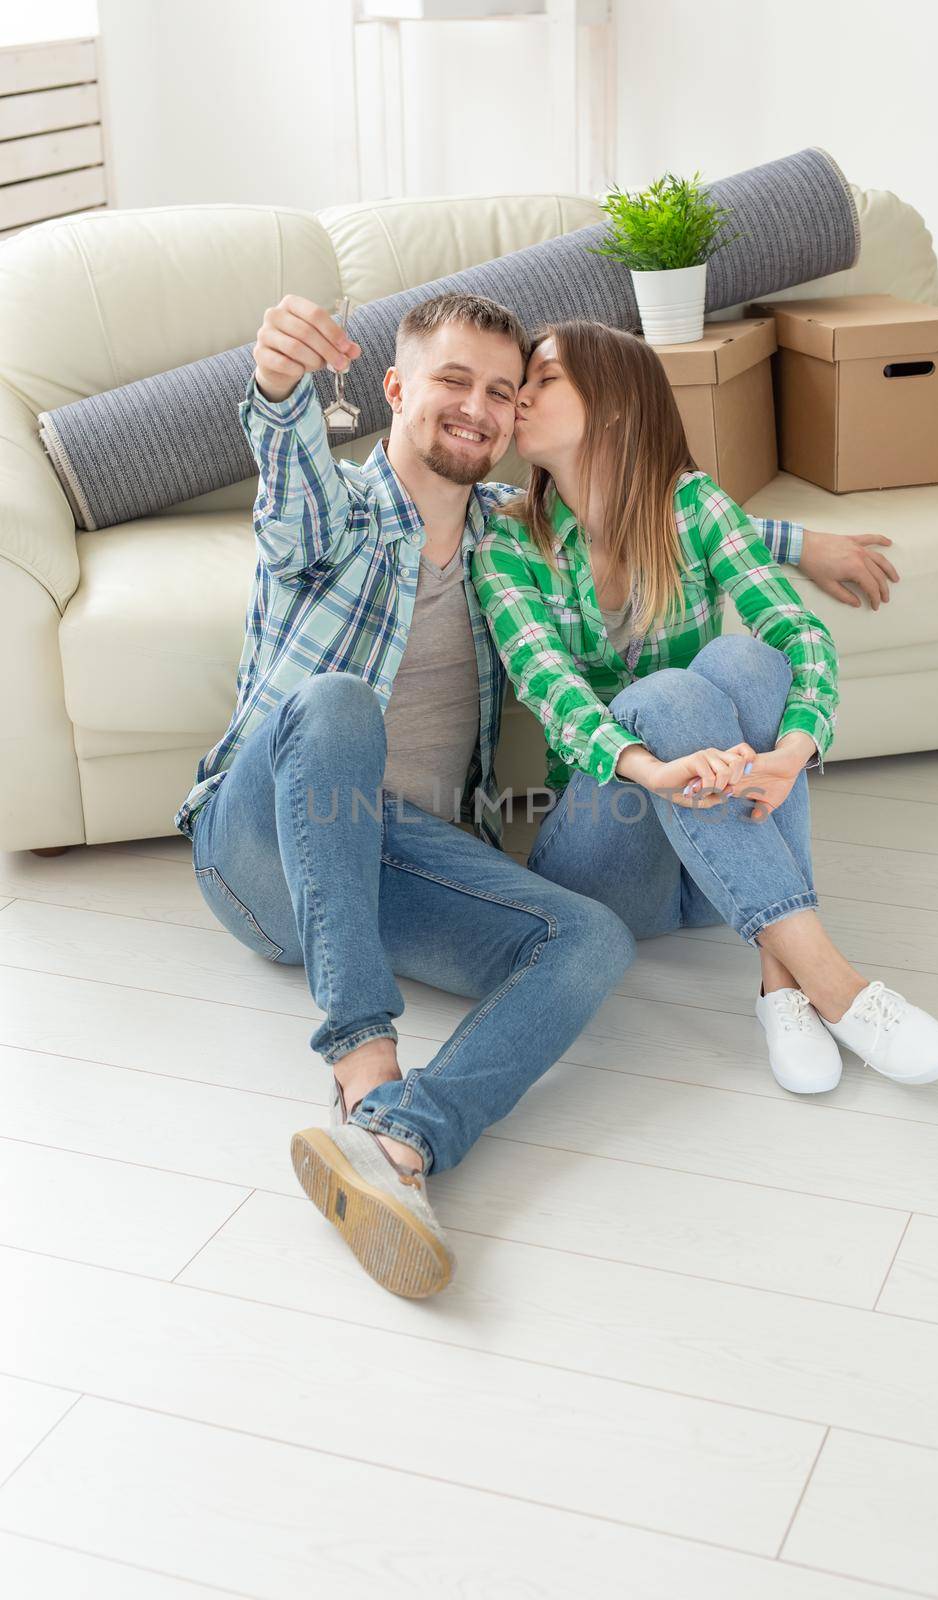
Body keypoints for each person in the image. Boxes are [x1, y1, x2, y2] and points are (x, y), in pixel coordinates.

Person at [174, 292, 639, 1301]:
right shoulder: (337, 511)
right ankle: (364, 1062)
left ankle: (396, 1142)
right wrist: (277, 384)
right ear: (395, 389)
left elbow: (630, 559)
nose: (475, 408)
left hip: (400, 859)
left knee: (592, 938)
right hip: (257, 848)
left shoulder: (511, 548)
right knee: (338, 704)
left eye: (500, 393)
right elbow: (287, 477)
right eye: (451, 381)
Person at [471, 320, 938, 1097]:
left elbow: (798, 632)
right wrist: (656, 769)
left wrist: (795, 748)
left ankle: (782, 982)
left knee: (743, 659)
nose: (518, 395)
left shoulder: (691, 507)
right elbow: (551, 691)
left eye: (546, 378)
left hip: (715, 866)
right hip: (608, 855)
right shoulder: (507, 539)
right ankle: (834, 984)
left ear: (615, 406)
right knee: (666, 695)